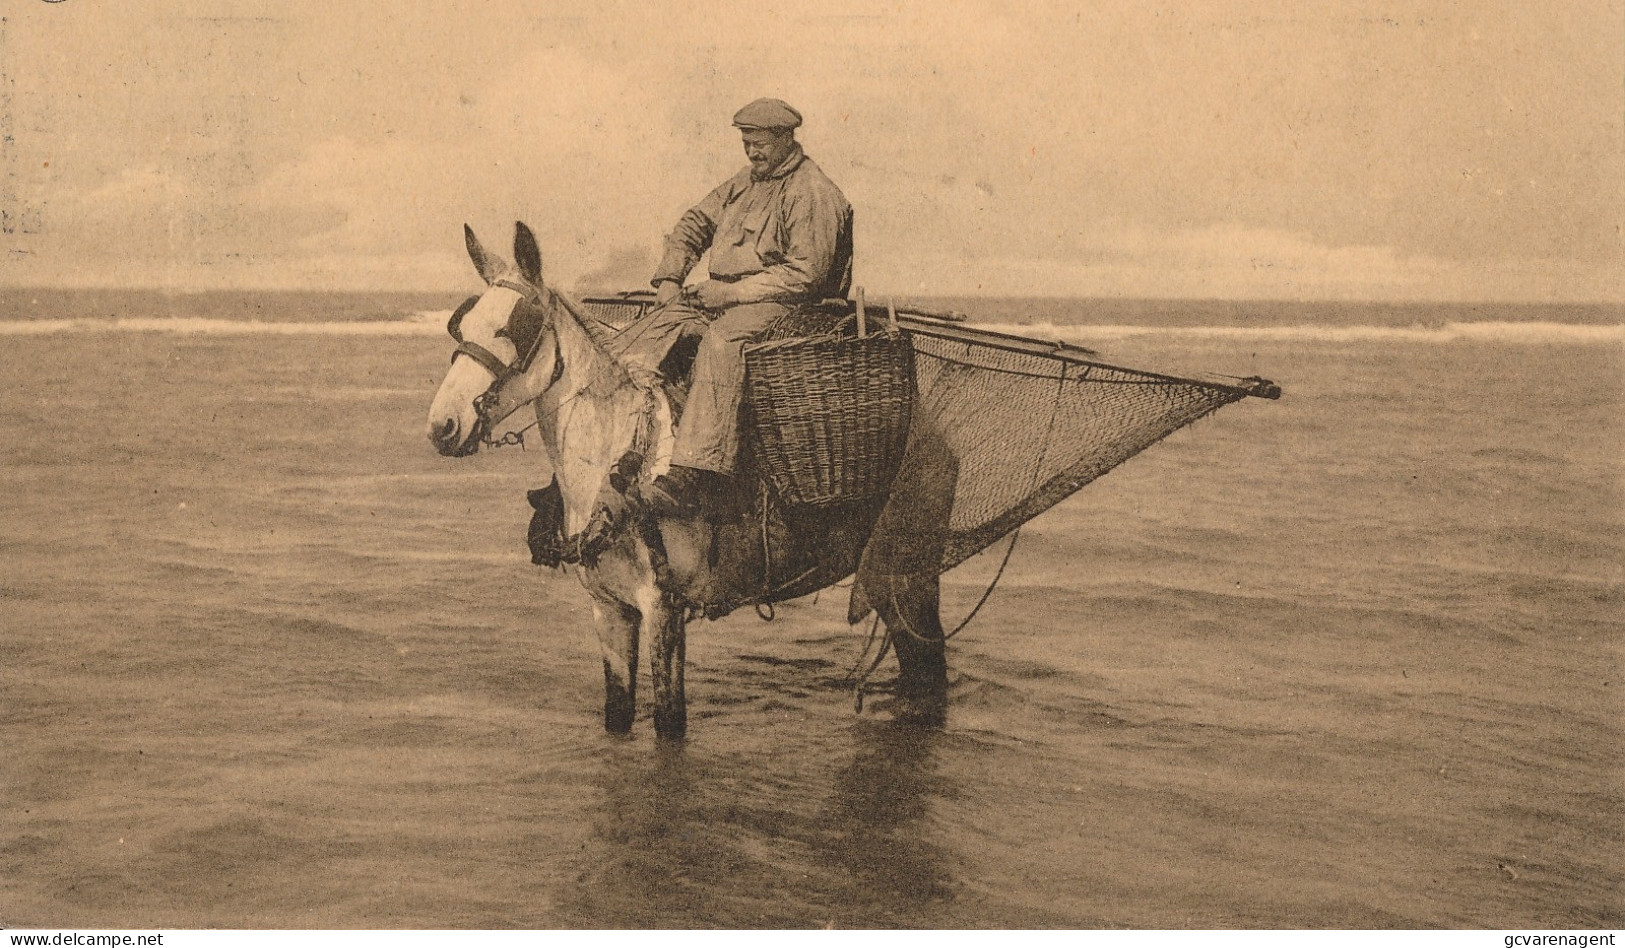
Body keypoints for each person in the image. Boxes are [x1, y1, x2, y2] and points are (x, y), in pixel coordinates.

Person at [615, 97, 854, 515]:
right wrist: (670, 277)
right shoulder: (744, 182)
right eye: (746, 143)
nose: (751, 152)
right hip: (727, 297)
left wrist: (730, 294)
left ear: (786, 138)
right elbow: (694, 223)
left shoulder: (812, 191)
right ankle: (629, 450)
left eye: (759, 143)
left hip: (790, 308)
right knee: (652, 329)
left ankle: (693, 471)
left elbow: (806, 275)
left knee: (723, 340)